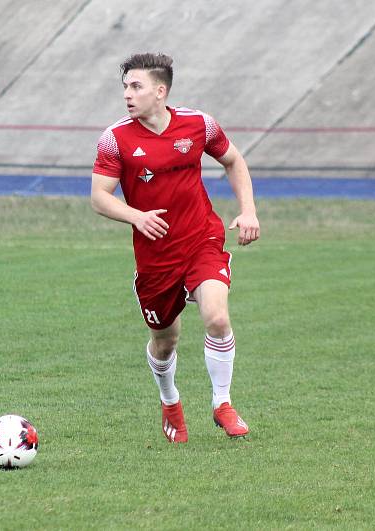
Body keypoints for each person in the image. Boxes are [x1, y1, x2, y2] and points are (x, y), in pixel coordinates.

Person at [90, 52, 260, 443]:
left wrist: (248, 211)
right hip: (156, 256)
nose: (128, 95)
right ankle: (170, 401)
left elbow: (234, 161)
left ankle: (222, 403)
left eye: (136, 87)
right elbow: (99, 197)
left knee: (217, 317)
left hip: (202, 238)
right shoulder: (115, 139)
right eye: (126, 87)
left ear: (160, 91)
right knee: (165, 341)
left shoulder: (198, 124)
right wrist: (136, 216)